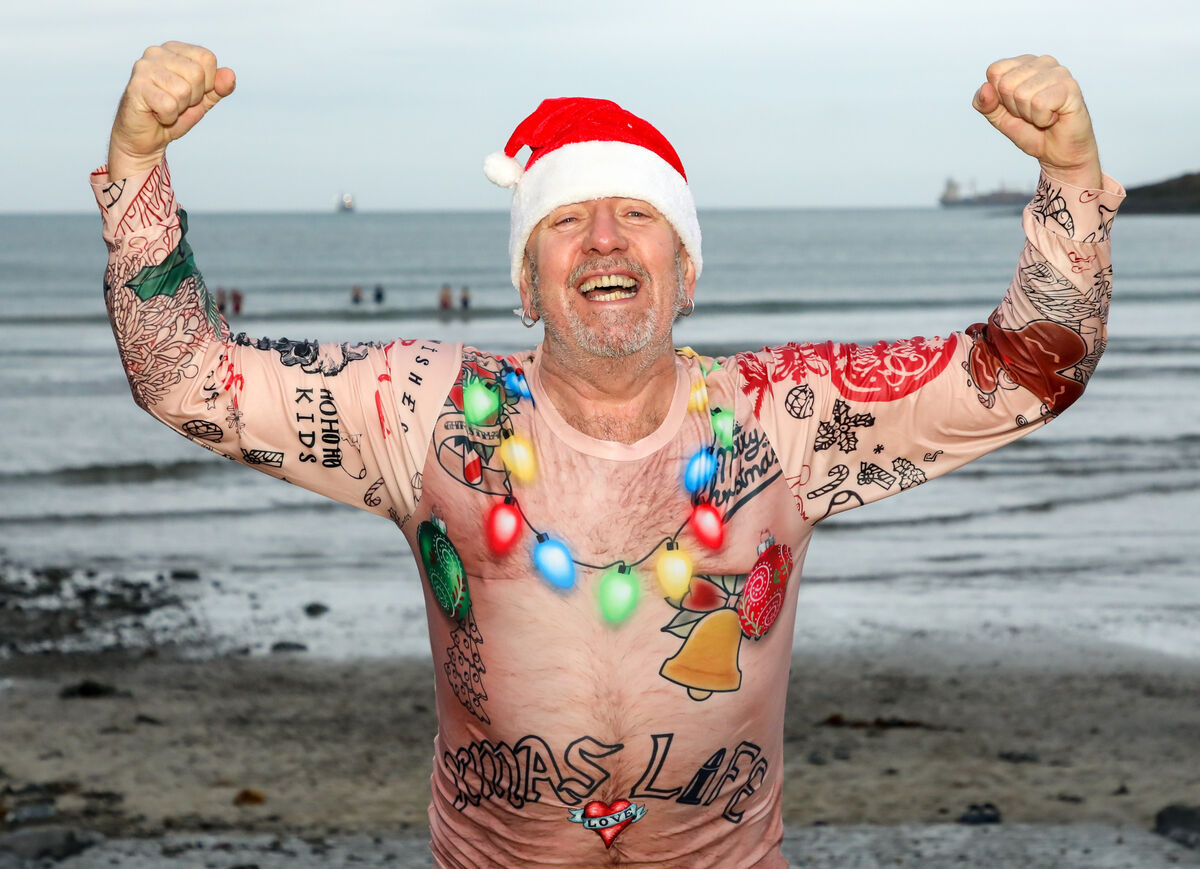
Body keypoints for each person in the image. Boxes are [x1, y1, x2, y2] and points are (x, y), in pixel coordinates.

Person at [95, 42, 1122, 868]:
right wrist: (139, 164)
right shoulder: (424, 410)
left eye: (638, 214)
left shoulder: (784, 417)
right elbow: (187, 379)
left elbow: (1029, 373)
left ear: (683, 272)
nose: (603, 240)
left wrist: (1070, 175)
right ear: (528, 286)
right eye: (564, 220)